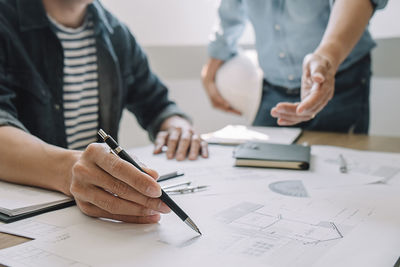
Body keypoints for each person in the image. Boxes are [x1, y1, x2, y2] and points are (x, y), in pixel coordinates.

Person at [0, 0, 208, 224]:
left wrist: (178, 126)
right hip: (27, 221)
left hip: (91, 216)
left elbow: (158, 103)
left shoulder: (115, 33)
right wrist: (69, 170)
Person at [202, 0, 388, 133]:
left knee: (338, 171)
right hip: (271, 88)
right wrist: (211, 70)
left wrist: (326, 58)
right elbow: (230, 11)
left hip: (340, 81)